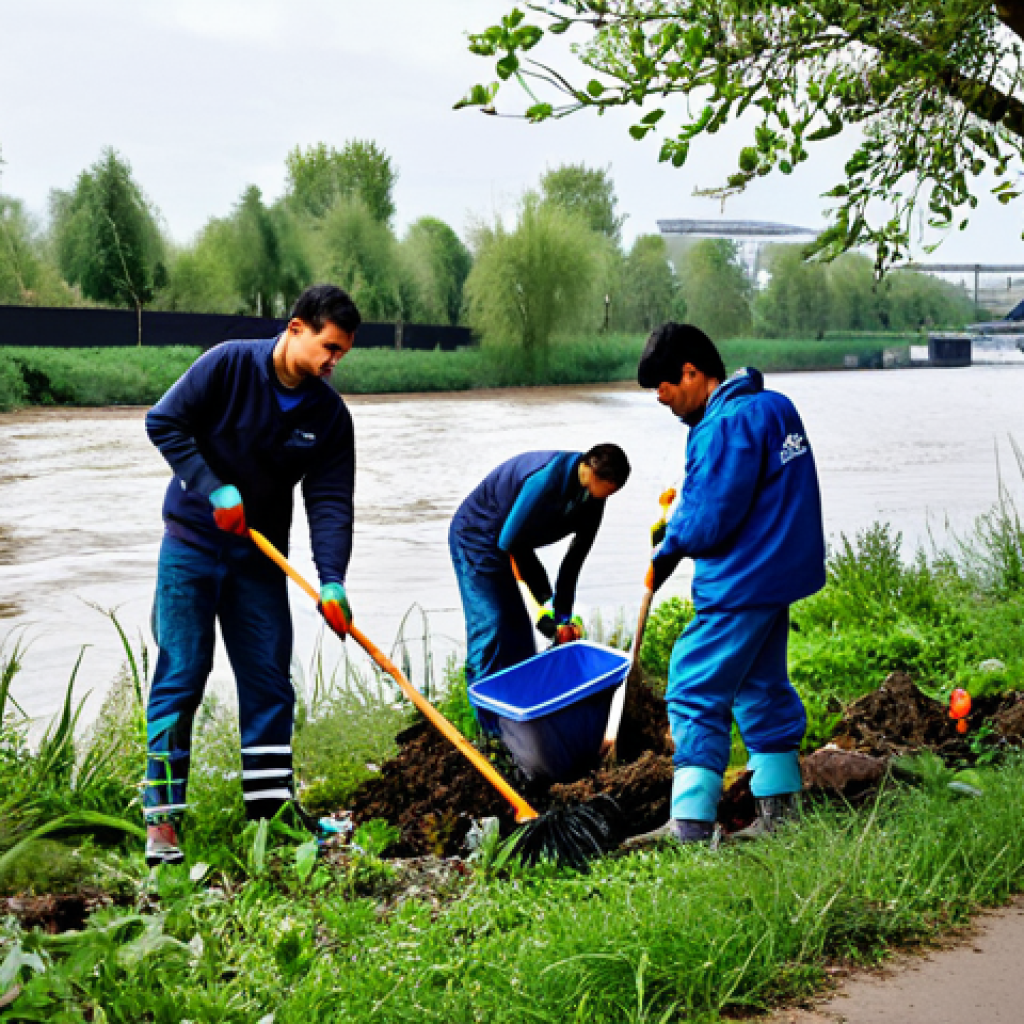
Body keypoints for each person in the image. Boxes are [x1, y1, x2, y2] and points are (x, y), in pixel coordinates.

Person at [142, 283, 361, 865]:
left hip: (260, 559)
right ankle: (162, 823)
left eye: (342, 353)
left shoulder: (328, 416)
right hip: (190, 546)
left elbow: (332, 500)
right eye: (329, 347)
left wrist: (332, 579)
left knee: (268, 680)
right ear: (296, 329)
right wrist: (213, 487)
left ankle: (270, 815)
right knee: (182, 675)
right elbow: (163, 422)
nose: (334, 362)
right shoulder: (228, 365)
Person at [628, 323, 825, 847]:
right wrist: (685, 506)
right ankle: (781, 816)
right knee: (760, 686)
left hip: (740, 580)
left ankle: (689, 825)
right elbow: (750, 492)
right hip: (777, 574)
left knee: (693, 681)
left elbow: (709, 521)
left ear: (692, 372)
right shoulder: (773, 407)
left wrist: (669, 541)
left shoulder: (721, 426)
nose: (662, 401)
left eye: (664, 388)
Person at [449, 445, 631, 719]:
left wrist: (562, 616)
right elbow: (511, 543)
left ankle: (516, 720)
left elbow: (574, 560)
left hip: (512, 542)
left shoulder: (594, 497)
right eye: (607, 489)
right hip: (477, 536)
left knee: (520, 637)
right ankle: (486, 727)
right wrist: (541, 599)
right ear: (589, 469)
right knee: (493, 625)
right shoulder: (545, 481)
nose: (607, 497)